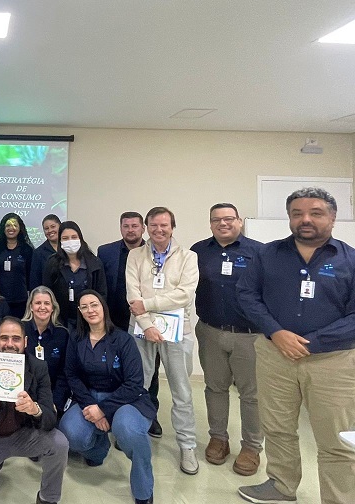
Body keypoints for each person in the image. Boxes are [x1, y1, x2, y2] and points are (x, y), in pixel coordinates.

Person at [237, 188, 355, 504]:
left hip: (334, 361)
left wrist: (312, 343)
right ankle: (281, 485)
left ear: (332, 217)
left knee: (336, 439)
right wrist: (276, 333)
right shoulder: (267, 254)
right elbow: (247, 295)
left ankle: (339, 498)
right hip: (275, 355)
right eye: (297, 213)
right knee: (277, 427)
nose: (305, 219)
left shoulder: (351, 260)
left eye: (315, 213)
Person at [0, 317, 69, 504]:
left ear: (25, 342)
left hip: (24, 434)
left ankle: (48, 498)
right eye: (4, 338)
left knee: (60, 444)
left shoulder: (38, 367)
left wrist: (35, 410)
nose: (9, 344)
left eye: (16, 338)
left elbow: (50, 417)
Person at [59, 290, 155, 504]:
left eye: (94, 304)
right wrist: (91, 406)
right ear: (80, 312)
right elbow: (72, 375)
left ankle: (143, 490)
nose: (90, 310)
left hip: (126, 400)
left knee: (129, 430)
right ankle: (99, 450)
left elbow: (134, 383)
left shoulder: (123, 340)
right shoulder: (76, 338)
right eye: (84, 307)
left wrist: (102, 410)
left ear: (103, 307)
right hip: (90, 397)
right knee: (70, 432)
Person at [126, 206, 200, 475]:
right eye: (154, 225)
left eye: (164, 225)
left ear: (172, 227)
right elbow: (132, 294)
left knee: (182, 392)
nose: (159, 230)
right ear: (147, 227)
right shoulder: (135, 255)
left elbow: (184, 295)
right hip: (142, 329)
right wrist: (147, 325)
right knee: (139, 386)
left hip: (178, 331)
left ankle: (187, 446)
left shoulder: (188, 257)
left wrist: (148, 304)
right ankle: (134, 435)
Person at [190, 203, 263, 476]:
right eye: (217, 219)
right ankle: (218, 438)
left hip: (250, 336)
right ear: (210, 224)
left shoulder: (259, 252)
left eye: (229, 218)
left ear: (239, 221)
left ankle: (252, 447)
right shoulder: (198, 251)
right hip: (210, 332)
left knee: (251, 394)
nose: (223, 223)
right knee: (215, 387)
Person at [98, 211, 162, 438]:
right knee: (115, 369)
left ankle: (149, 413)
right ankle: (117, 412)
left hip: (145, 321)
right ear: (120, 228)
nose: (131, 230)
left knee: (149, 370)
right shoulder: (105, 252)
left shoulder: (155, 252)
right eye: (126, 226)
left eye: (135, 226)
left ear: (143, 228)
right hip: (114, 321)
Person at [43, 220, 107, 331]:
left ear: (80, 239)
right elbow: (46, 292)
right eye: (65, 238)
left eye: (74, 237)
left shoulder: (94, 263)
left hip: (88, 319)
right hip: (60, 320)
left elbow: (102, 294)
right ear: (60, 241)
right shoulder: (52, 263)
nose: (70, 241)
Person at [21, 286, 70, 415]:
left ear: (53, 307)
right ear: (31, 307)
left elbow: (64, 373)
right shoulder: (19, 330)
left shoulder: (62, 334)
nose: (42, 307)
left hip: (51, 397)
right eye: (38, 303)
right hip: (22, 397)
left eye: (47, 303)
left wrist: (55, 403)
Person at [0, 213, 34, 318]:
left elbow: (30, 276)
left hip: (20, 301)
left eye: (15, 225)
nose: (11, 228)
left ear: (20, 228)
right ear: (3, 228)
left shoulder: (27, 250)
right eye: (8, 225)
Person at [30, 215, 60, 288]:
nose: (50, 231)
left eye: (53, 226)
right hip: (47, 293)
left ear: (60, 226)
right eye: (46, 228)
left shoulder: (68, 248)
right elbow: (35, 280)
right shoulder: (38, 253)